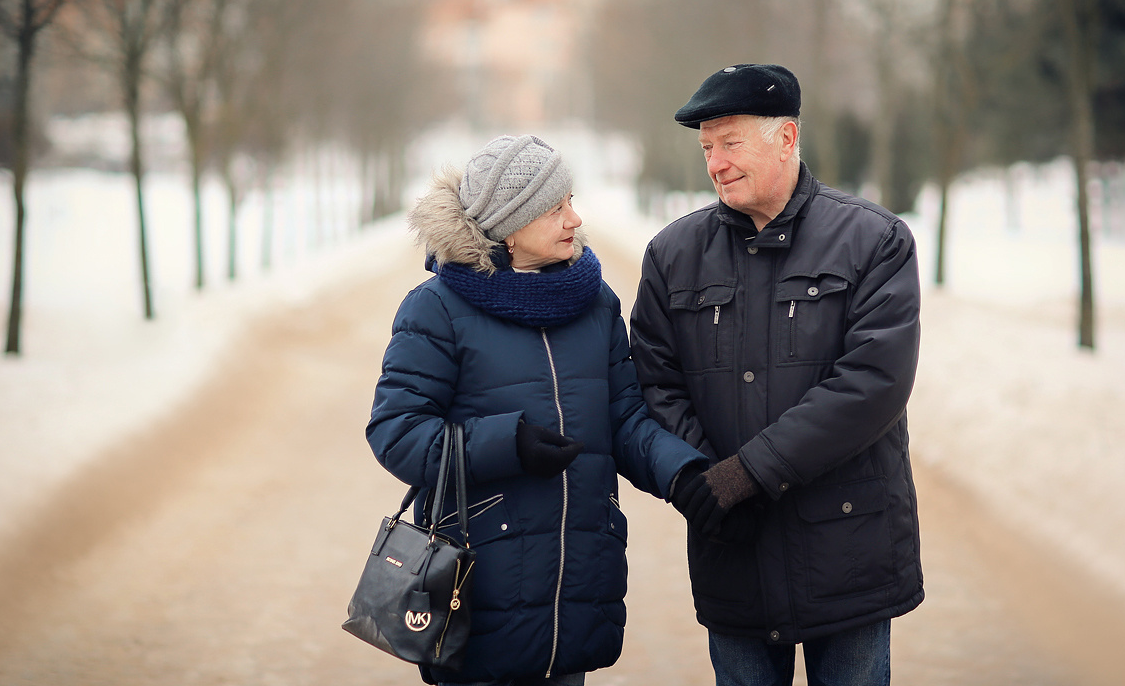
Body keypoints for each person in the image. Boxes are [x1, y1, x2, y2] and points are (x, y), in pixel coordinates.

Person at [367, 134, 708, 686]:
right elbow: (396, 432)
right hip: (478, 587)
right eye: (555, 208)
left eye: (571, 200)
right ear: (507, 224)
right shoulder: (436, 309)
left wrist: (685, 473)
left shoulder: (595, 303)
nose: (575, 219)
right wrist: (510, 444)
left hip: (576, 585)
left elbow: (625, 420)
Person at [631, 64, 924, 686]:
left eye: (731, 144)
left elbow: (872, 385)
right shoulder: (671, 255)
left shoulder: (875, 241)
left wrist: (747, 473)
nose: (715, 164)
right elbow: (656, 384)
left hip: (848, 551)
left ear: (786, 138)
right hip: (731, 550)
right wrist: (702, 483)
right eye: (707, 148)